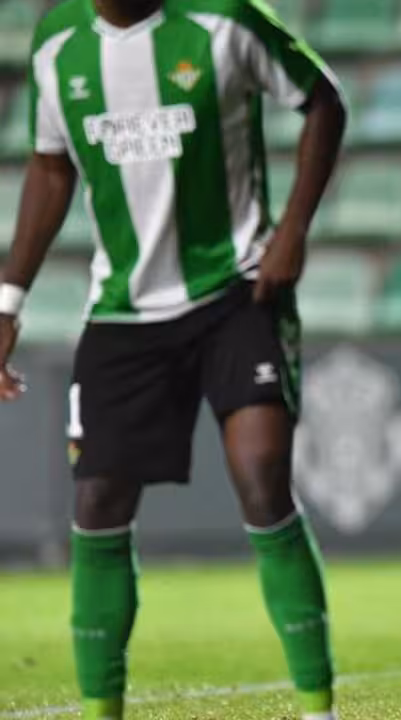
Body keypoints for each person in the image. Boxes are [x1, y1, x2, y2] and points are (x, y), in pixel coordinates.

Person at [0, 1, 346, 718]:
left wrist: (293, 231)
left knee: (261, 479)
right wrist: (7, 300)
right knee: (96, 503)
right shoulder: (58, 43)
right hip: (124, 312)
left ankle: (320, 708)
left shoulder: (225, 20)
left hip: (237, 292)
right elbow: (48, 165)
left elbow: (323, 103)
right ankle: (103, 709)